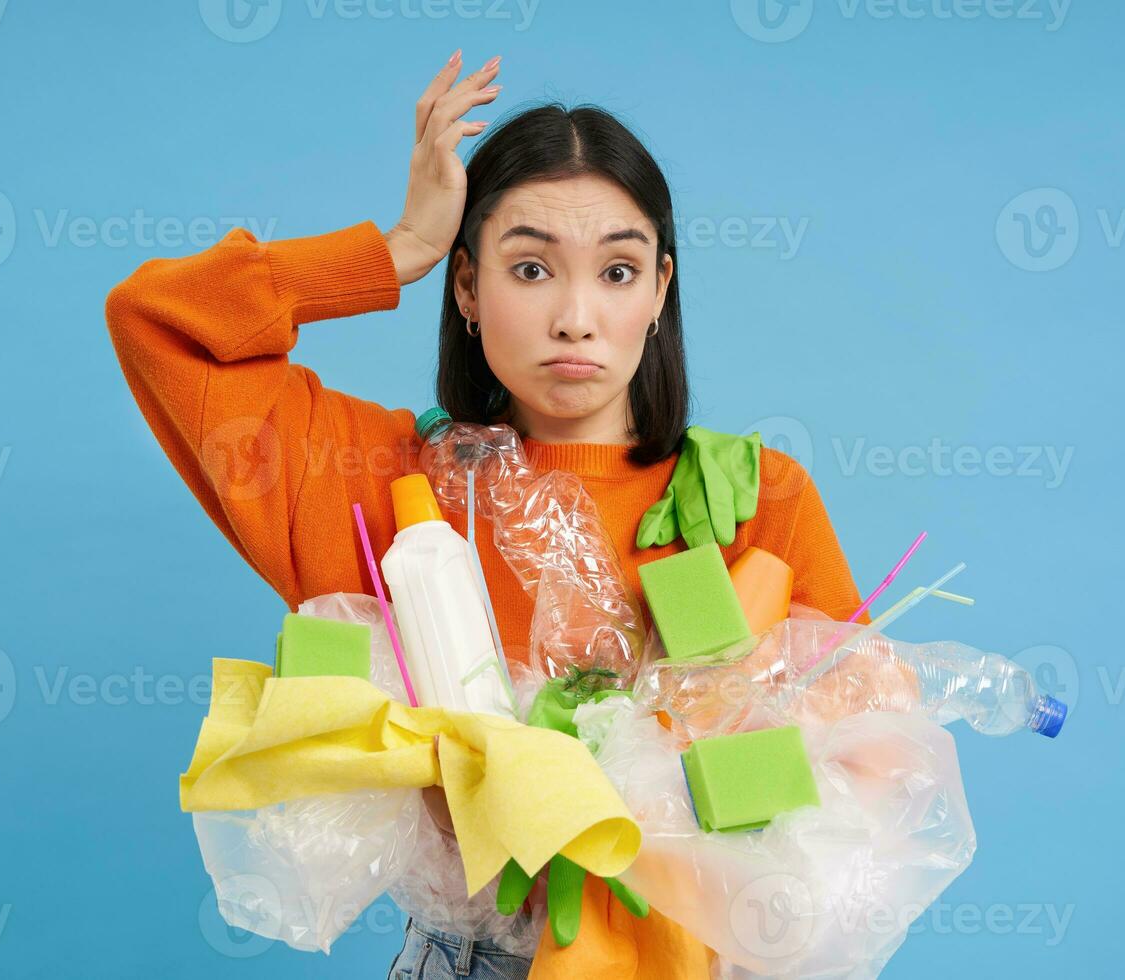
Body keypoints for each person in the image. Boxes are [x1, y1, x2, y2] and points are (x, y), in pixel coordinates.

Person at [105, 48, 865, 980]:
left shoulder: (752, 500)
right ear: (467, 288)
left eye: (618, 273)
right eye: (532, 268)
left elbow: (862, 757)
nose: (577, 317)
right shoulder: (383, 484)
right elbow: (156, 319)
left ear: (660, 292)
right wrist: (398, 248)